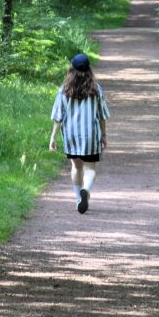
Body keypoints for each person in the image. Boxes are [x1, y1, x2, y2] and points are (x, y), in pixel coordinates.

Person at [49, 53, 110, 214]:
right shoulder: (96, 90)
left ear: (72, 70)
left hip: (71, 135)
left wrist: (53, 137)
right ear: (89, 70)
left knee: (76, 167)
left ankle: (78, 199)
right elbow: (103, 115)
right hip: (91, 134)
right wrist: (104, 135)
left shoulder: (64, 90)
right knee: (90, 168)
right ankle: (86, 190)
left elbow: (58, 116)